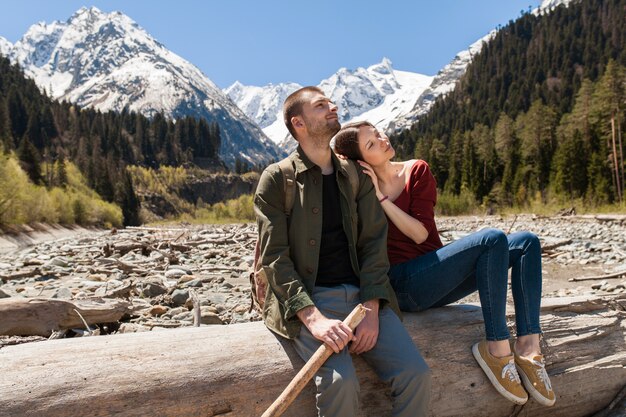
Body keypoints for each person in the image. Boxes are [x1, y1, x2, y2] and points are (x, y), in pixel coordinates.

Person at [333, 121, 556, 407]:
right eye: (371, 143)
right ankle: (498, 351)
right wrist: (378, 196)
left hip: (435, 275)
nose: (382, 139)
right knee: (491, 238)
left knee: (526, 242)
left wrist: (383, 198)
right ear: (361, 160)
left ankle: (528, 348)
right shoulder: (362, 191)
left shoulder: (416, 170)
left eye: (378, 133)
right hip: (402, 286)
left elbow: (421, 233)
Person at [254, 87, 431, 417]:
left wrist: (372, 306)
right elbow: (274, 257)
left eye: (330, 102)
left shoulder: (354, 175)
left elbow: (374, 244)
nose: (333, 107)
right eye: (321, 106)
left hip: (363, 299)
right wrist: (313, 318)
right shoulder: (277, 179)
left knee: (415, 374)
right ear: (299, 123)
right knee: (340, 381)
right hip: (310, 299)